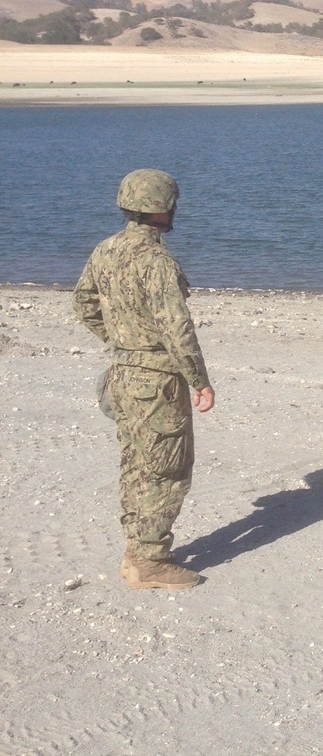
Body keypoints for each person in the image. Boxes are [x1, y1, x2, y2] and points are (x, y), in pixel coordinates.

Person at [73, 169, 215, 591]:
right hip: (157, 380)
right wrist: (199, 380)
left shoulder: (107, 250)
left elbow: (84, 303)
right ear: (164, 208)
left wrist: (121, 340)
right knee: (167, 469)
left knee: (136, 463)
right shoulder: (156, 260)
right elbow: (177, 329)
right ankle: (151, 560)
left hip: (123, 373)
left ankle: (136, 553)